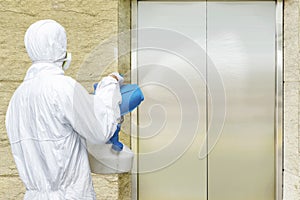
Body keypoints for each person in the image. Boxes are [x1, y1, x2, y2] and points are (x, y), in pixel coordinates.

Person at [5, 19, 123, 199]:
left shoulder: (18, 97)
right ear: (59, 47)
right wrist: (110, 85)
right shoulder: (63, 87)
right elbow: (100, 130)